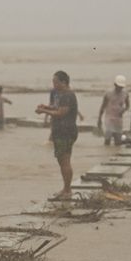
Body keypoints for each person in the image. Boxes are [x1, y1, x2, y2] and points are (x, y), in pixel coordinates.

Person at [35, 70, 79, 199]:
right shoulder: (58, 93)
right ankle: (66, 188)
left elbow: (61, 113)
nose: (53, 83)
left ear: (63, 82)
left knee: (65, 160)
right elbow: (56, 107)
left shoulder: (68, 95)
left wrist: (43, 111)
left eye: (55, 81)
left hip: (67, 131)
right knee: (61, 160)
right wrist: (46, 107)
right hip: (59, 131)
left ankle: (67, 190)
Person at [98, 75, 130, 146]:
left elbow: (128, 106)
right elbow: (103, 106)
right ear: (115, 85)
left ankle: (115, 154)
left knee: (118, 140)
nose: (120, 88)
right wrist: (99, 119)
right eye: (118, 86)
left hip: (119, 119)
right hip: (109, 118)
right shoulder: (108, 94)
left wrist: (124, 110)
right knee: (108, 138)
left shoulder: (125, 94)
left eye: (121, 87)